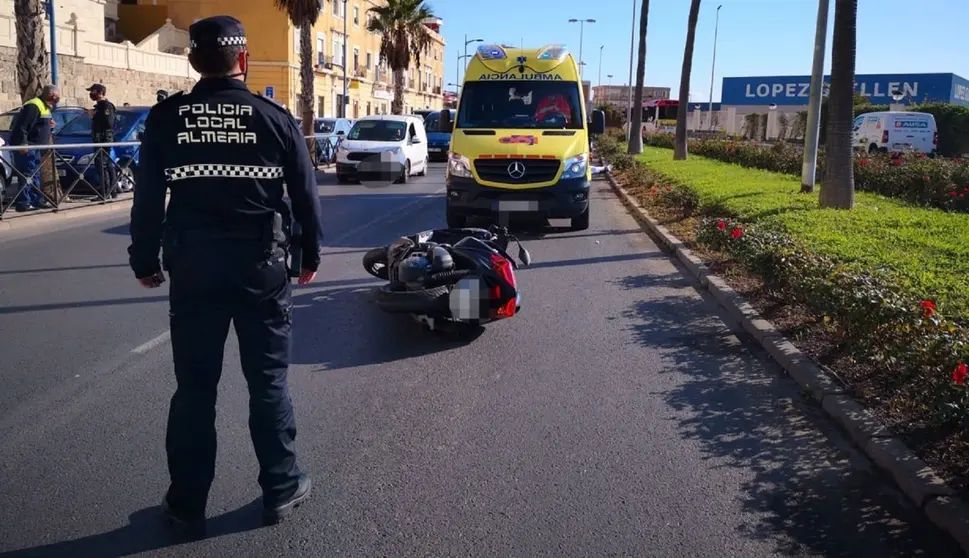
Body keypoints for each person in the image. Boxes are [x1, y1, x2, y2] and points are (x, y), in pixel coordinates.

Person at [127, 14, 324, 538]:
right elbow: (305, 198)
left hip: (193, 271)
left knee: (194, 389)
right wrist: (309, 256)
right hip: (260, 272)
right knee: (267, 383)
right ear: (244, 60)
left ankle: (185, 505)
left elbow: (147, 200)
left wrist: (144, 261)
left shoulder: (167, 119)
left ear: (193, 60)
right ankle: (280, 489)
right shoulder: (274, 118)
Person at [7, 85, 59, 212]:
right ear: (53, 96)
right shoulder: (34, 105)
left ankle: (36, 200)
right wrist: (22, 144)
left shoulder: (45, 106)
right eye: (58, 95)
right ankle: (23, 203)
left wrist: (50, 126)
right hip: (28, 146)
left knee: (34, 175)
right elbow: (22, 126)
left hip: (36, 147)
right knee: (26, 174)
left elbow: (40, 125)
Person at [86, 83, 119, 199]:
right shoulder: (99, 106)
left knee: (102, 165)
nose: (91, 95)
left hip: (103, 139)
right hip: (100, 139)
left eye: (93, 92)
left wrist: (94, 116)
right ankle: (112, 191)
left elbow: (109, 123)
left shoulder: (106, 106)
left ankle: (105, 192)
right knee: (107, 164)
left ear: (100, 93)